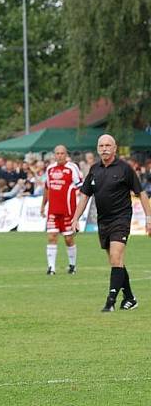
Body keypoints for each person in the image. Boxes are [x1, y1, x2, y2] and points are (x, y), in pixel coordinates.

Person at [71, 134, 151, 312]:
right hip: (103, 221)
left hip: (121, 219)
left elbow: (141, 193)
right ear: (98, 148)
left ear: (115, 148)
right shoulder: (94, 169)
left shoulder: (125, 169)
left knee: (116, 257)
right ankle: (130, 298)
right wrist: (75, 218)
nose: (104, 148)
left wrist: (148, 218)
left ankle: (110, 301)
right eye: (101, 146)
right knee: (117, 261)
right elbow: (84, 196)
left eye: (108, 145)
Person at [41, 145, 82, 275]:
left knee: (68, 239)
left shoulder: (72, 168)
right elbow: (47, 188)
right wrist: (43, 205)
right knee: (52, 237)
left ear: (66, 154)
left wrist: (77, 213)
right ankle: (51, 267)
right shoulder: (50, 169)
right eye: (57, 153)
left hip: (67, 211)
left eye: (62, 153)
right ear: (54, 155)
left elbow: (81, 188)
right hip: (53, 210)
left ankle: (72, 265)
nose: (59, 156)